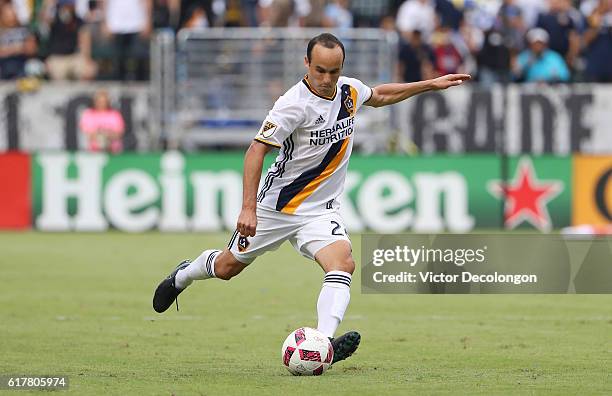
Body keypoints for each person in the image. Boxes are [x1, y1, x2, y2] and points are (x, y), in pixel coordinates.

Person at [152, 33, 470, 365]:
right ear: (306, 64)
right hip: (277, 207)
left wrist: (430, 84)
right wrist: (248, 207)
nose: (327, 79)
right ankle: (183, 275)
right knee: (227, 267)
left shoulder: (348, 91)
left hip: (319, 210)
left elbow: (379, 95)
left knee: (343, 263)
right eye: (320, 70)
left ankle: (324, 344)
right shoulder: (293, 104)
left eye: (334, 71)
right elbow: (256, 150)